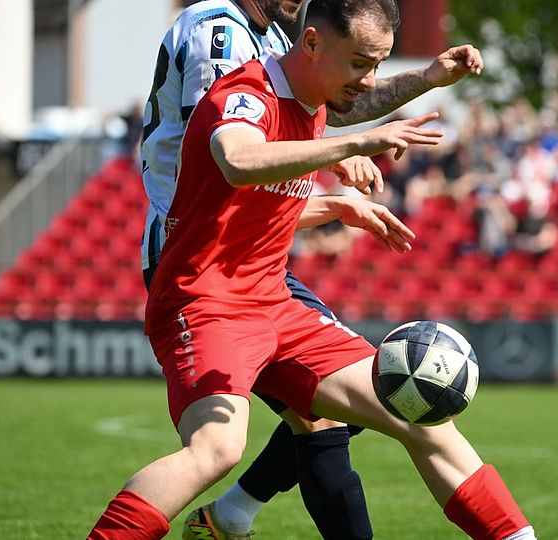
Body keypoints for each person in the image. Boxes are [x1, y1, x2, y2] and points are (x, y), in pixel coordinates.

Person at [90, 2, 558, 539]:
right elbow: (236, 159)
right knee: (216, 449)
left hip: (274, 300)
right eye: (359, 64)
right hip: (206, 302)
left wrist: (338, 202)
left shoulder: (311, 98)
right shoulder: (244, 87)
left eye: (376, 64)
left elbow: (252, 203)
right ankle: (225, 514)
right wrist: (350, 146)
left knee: (416, 413)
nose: (368, 80)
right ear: (312, 43)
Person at [138, 1, 491, 538]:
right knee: (246, 439)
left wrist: (427, 79)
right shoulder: (219, 29)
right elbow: (230, 144)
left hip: (254, 254)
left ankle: (231, 514)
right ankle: (231, 512)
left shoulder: (278, 38)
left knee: (336, 416)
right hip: (201, 252)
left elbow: (328, 101)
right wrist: (336, 151)